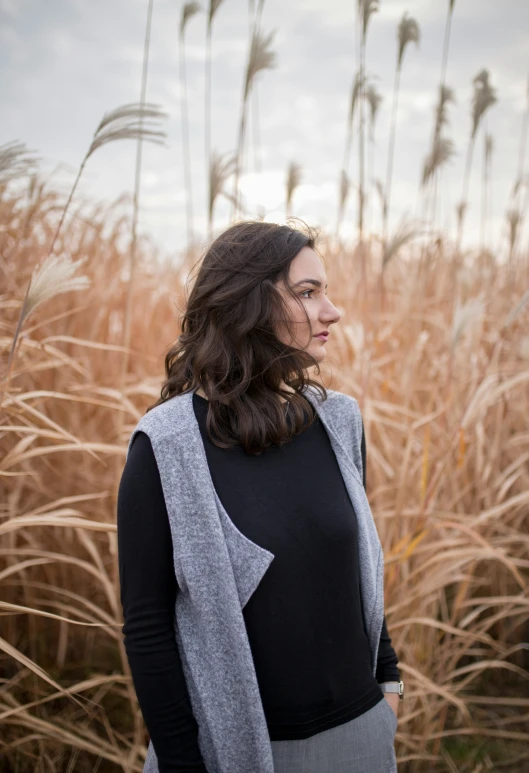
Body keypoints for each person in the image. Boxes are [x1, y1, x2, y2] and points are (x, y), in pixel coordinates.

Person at [117, 219, 403, 773]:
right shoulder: (167, 445)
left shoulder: (338, 421)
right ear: (247, 304)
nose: (332, 311)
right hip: (236, 753)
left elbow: (357, 568)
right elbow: (147, 626)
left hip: (362, 737)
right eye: (307, 292)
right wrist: (182, 763)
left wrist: (387, 684)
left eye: (325, 291)